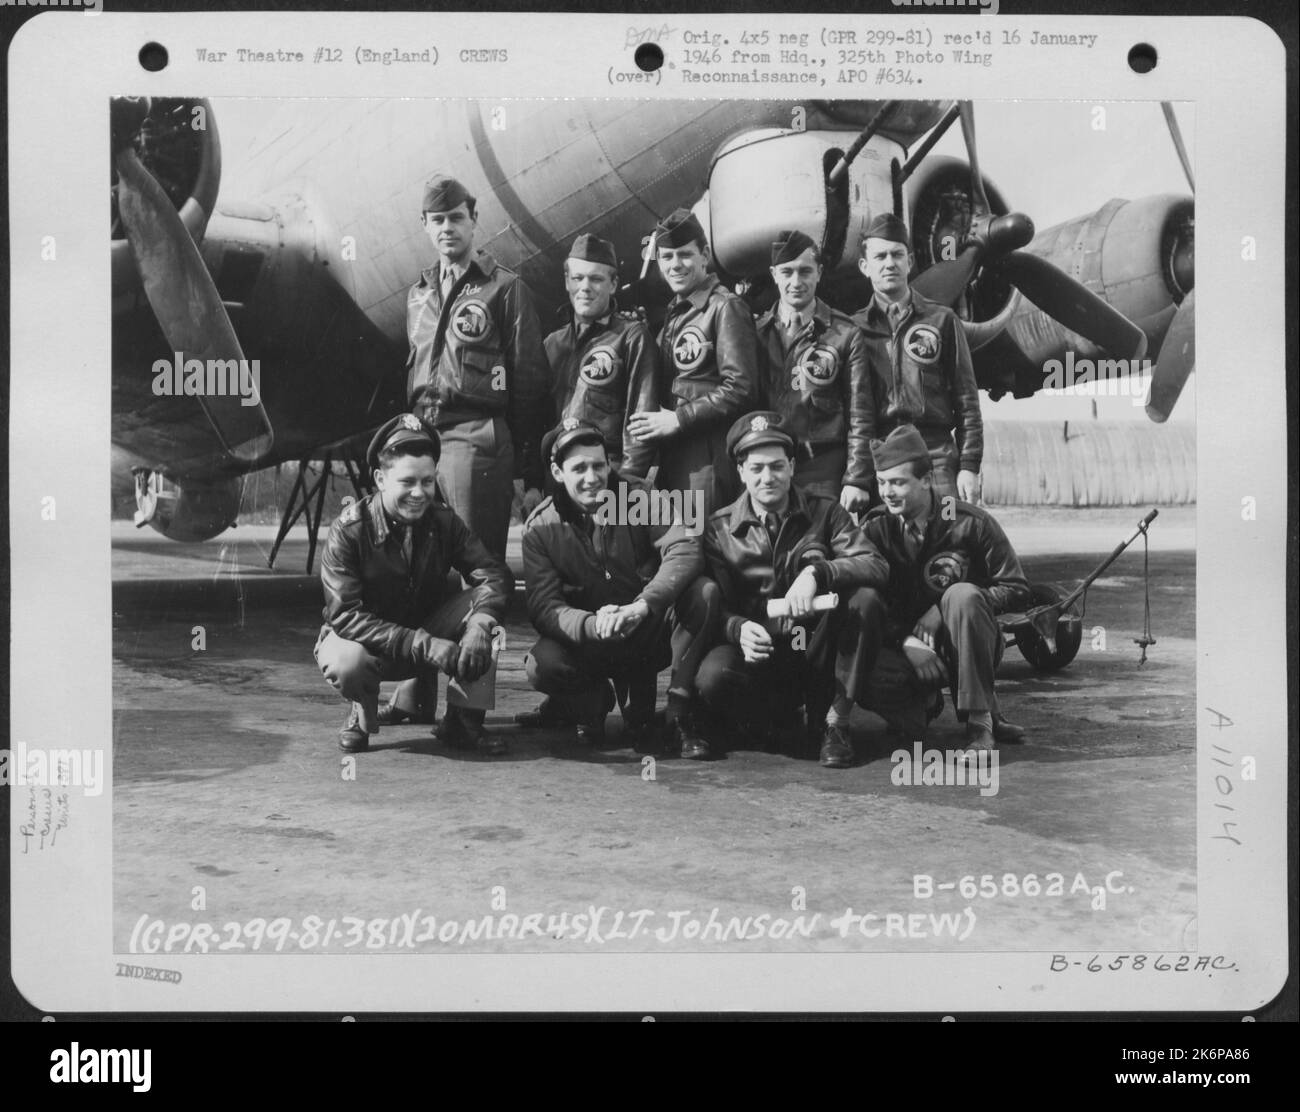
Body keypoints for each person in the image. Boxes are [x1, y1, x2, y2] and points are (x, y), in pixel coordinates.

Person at [672, 411, 891, 768]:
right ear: (741, 472)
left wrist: (818, 573)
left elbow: (875, 564)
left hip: (814, 649)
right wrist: (739, 629)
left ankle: (835, 724)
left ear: (792, 466)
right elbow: (716, 604)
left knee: (865, 599)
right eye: (756, 468)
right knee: (713, 677)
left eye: (776, 466)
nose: (767, 477)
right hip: (758, 654)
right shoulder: (719, 528)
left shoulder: (826, 512)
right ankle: (770, 720)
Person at [315, 414, 514, 755]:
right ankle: (361, 716)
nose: (419, 493)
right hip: (372, 645)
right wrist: (423, 644)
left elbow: (491, 575)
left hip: (430, 638)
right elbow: (346, 615)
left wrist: (481, 623)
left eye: (427, 482)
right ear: (380, 479)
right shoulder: (348, 532)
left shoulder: (444, 521)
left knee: (488, 620)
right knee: (347, 662)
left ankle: (462, 723)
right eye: (407, 482)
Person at [520, 419, 710, 751]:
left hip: (646, 631)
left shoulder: (638, 497)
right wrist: (592, 625)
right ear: (557, 471)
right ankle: (591, 700)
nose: (592, 477)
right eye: (579, 468)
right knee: (542, 665)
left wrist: (643, 604)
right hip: (591, 641)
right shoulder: (541, 527)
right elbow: (543, 606)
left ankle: (680, 712)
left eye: (598, 465)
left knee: (703, 593)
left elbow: (684, 547)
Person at [861, 424, 1029, 759]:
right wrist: (907, 642)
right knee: (866, 668)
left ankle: (981, 724)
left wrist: (941, 606)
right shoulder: (875, 528)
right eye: (881, 483)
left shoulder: (970, 522)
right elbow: (869, 601)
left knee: (961, 597)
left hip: (967, 639)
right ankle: (923, 703)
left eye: (897, 482)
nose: (887, 492)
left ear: (926, 479)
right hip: (907, 648)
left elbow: (1017, 589)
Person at [405, 172, 550, 560]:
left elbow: (529, 382)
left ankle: (484, 623)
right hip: (424, 439)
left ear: (473, 220)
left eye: (456, 218)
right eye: (437, 220)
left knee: (475, 562)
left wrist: (528, 468)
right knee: (426, 562)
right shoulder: (418, 295)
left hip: (475, 436)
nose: (447, 228)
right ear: (424, 225)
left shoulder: (503, 288)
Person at [627, 207, 759, 515]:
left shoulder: (724, 307)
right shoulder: (676, 315)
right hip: (676, 460)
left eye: (685, 255)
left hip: (708, 461)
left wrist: (679, 418)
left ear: (705, 255)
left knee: (705, 548)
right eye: (667, 257)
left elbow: (741, 387)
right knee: (681, 550)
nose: (675, 265)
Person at [852, 212, 983, 505]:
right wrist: (856, 477)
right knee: (885, 543)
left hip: (934, 456)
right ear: (864, 266)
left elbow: (967, 399)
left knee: (950, 534)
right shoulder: (852, 330)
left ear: (909, 261)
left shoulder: (942, 320)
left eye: (897, 255)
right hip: (880, 456)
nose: (890, 263)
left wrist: (970, 466)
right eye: (880, 256)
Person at [754, 229, 874, 511]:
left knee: (819, 549)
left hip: (823, 468)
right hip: (768, 466)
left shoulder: (844, 333)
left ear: (819, 273)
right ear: (774, 275)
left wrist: (857, 478)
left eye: (805, 271)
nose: (796, 282)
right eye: (787, 272)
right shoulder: (754, 333)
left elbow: (861, 413)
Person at [543, 234, 658, 478]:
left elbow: (641, 422)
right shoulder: (552, 344)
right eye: (577, 278)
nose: (585, 287)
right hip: (559, 477)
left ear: (613, 284)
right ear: (567, 281)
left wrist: (625, 485)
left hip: (607, 475)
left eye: (596, 279)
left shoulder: (631, 338)